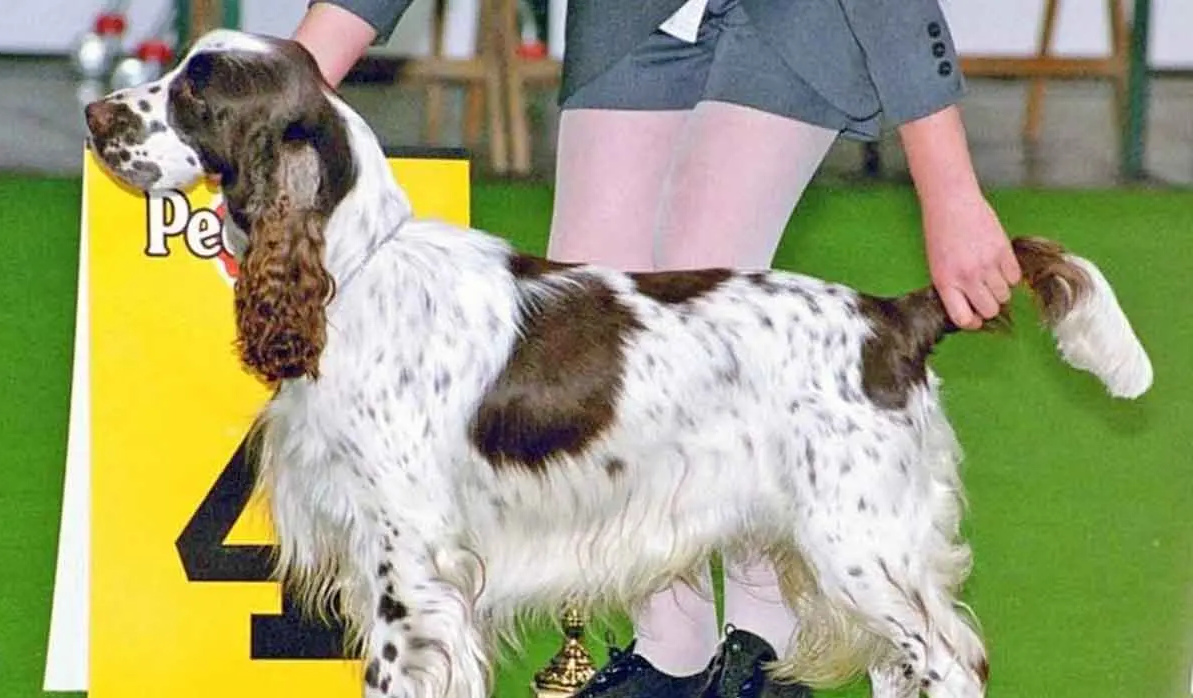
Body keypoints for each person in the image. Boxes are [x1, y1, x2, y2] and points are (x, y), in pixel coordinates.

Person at [291, 1, 1022, 697]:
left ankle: (762, 658)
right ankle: (673, 657)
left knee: (706, 338)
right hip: (637, 14)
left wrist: (948, 186)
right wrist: (285, 91)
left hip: (798, 14)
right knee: (589, 341)